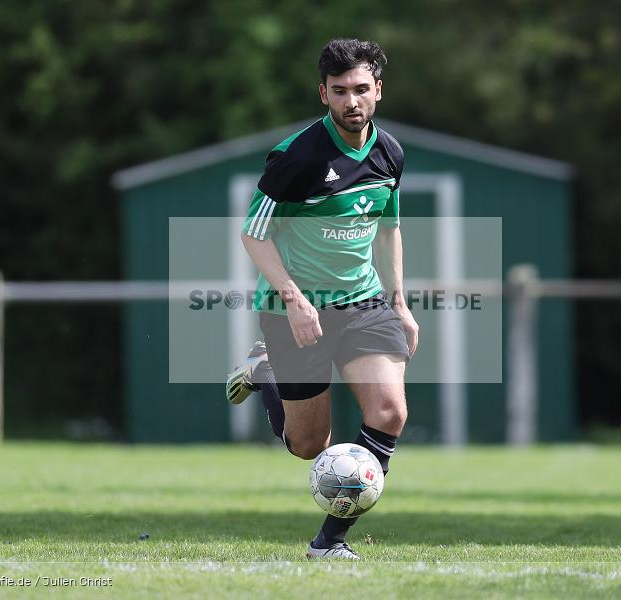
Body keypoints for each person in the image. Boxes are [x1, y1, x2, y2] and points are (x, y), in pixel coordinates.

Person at [225, 38, 419, 560]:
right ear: (323, 94)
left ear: (378, 90)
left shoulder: (389, 154)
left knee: (390, 412)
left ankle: (328, 543)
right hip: (296, 308)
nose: (351, 101)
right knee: (309, 444)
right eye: (340, 92)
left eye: (361, 89)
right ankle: (265, 370)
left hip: (362, 302)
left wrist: (399, 302)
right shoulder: (298, 156)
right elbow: (253, 234)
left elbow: (387, 230)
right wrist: (293, 298)